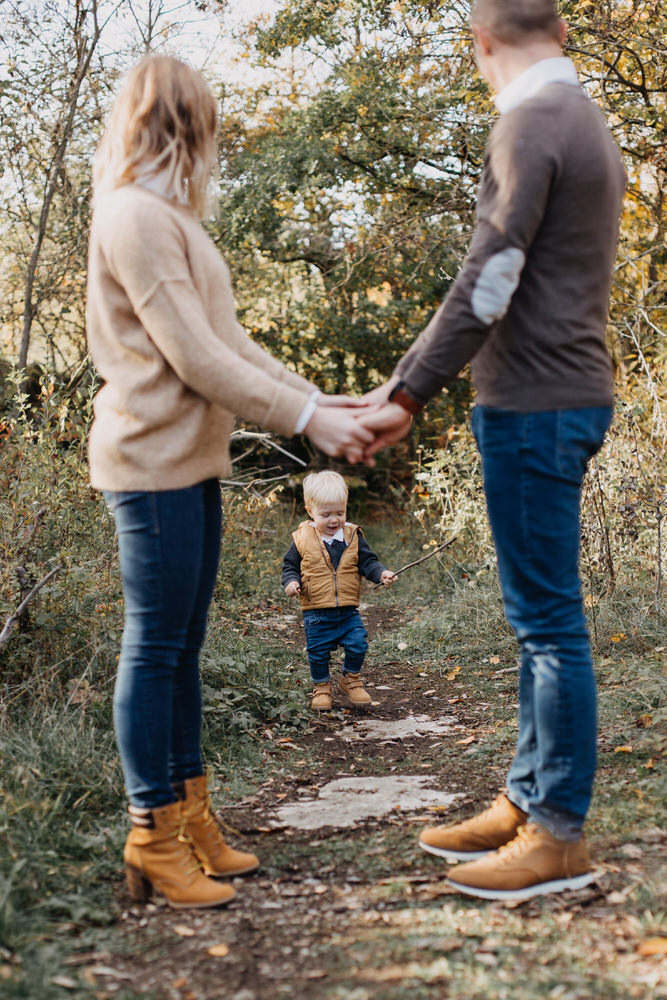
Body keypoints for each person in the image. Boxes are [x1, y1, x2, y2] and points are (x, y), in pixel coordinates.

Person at [86, 55, 374, 909]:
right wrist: (305, 422)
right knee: (157, 647)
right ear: (178, 121)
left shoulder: (171, 219)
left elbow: (233, 344)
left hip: (190, 463)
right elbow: (194, 357)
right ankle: (151, 834)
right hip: (148, 466)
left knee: (181, 650)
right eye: (204, 122)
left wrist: (320, 400)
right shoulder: (133, 216)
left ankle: (191, 816)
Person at [357, 0, 626, 900]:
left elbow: (492, 274)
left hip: (537, 404)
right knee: (536, 620)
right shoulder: (578, 113)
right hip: (559, 395)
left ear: (482, 42)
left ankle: (555, 835)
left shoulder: (530, 121)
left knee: (549, 625)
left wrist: (405, 392)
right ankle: (524, 800)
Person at [281, 471, 396, 710]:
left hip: (347, 609)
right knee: (318, 652)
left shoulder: (352, 536)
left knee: (358, 643)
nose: (334, 520)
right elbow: (289, 566)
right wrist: (291, 582)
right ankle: (322, 687)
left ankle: (350, 679)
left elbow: (368, 562)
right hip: (315, 611)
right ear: (310, 511)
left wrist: (381, 573)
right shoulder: (302, 538)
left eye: (340, 513)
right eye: (326, 514)